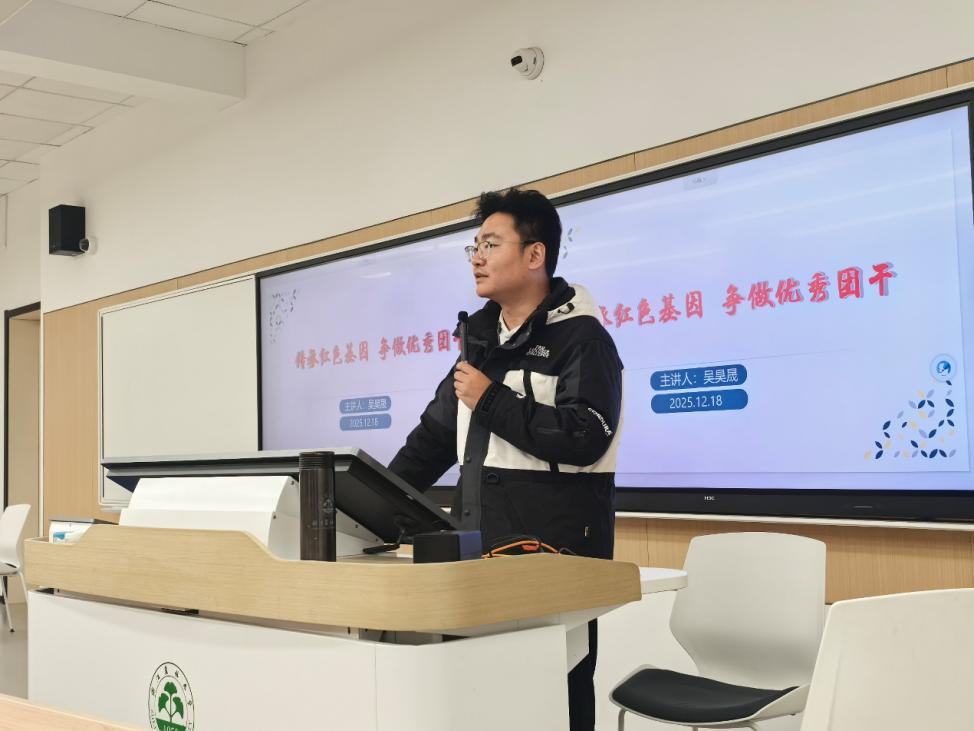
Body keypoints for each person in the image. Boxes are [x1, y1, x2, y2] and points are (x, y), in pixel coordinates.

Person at [389, 187, 624, 730]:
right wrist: (373, 501)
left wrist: (491, 398)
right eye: (474, 246)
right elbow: (431, 441)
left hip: (556, 565)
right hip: (480, 561)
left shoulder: (583, 339)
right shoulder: (480, 343)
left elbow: (586, 436)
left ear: (535, 254)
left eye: (491, 244)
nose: (477, 257)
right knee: (488, 704)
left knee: (555, 702)